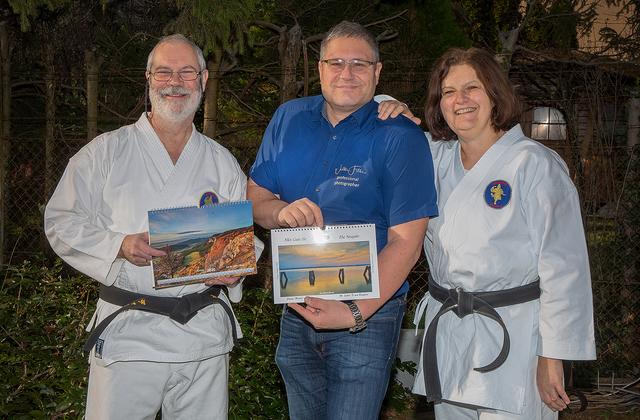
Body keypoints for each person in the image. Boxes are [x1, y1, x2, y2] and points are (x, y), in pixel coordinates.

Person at [44, 34, 263, 419]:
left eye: (186, 72)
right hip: (131, 333)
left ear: (204, 79)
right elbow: (60, 220)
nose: (174, 82)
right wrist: (119, 244)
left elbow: (241, 238)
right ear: (148, 79)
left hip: (203, 335)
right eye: (163, 72)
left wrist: (237, 268)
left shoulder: (221, 161)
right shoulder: (105, 152)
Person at [377, 47, 596, 419]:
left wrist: (552, 356)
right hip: (450, 334)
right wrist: (391, 105)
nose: (459, 100)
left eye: (471, 88)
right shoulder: (433, 158)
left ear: (495, 93)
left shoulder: (534, 165)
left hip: (516, 338)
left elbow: (565, 268)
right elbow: (377, 106)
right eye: (448, 92)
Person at [247, 21, 438, 420]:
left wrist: (353, 311)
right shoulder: (287, 119)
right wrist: (280, 212)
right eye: (336, 63)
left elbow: (407, 241)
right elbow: (255, 202)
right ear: (319, 69)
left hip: (367, 316)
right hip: (297, 305)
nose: (346, 73)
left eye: (359, 64)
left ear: (377, 72)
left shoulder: (401, 136)